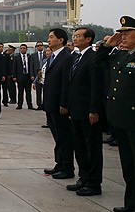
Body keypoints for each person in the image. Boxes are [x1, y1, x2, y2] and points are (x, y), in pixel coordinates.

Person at [94, 16, 135, 212]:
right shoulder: (122, 56)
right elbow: (97, 64)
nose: (122, 37)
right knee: (128, 164)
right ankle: (131, 203)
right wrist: (108, 46)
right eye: (121, 33)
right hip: (122, 120)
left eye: (127, 33)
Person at [61, 27, 104, 197]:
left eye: (78, 36)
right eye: (74, 35)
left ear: (89, 39)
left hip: (89, 112)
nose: (75, 38)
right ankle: (83, 178)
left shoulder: (93, 58)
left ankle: (94, 183)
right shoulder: (76, 57)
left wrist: (94, 110)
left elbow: (96, 87)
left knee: (91, 147)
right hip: (76, 111)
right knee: (79, 146)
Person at [43, 28, 74, 180]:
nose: (48, 40)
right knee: (57, 136)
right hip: (51, 103)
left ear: (60, 40)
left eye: (51, 37)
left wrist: (64, 103)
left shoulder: (66, 57)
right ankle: (59, 163)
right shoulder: (54, 57)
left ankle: (67, 167)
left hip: (59, 105)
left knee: (64, 137)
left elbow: (66, 83)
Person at [13, 44, 34, 109]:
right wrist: (14, 76)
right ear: (20, 49)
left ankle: (29, 105)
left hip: (27, 76)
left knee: (28, 92)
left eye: (24, 48)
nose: (23, 49)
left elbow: (31, 66)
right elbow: (14, 67)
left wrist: (32, 75)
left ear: (26, 49)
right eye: (21, 48)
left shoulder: (29, 57)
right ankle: (20, 104)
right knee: (20, 92)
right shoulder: (17, 57)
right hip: (20, 77)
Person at [30, 42, 46, 110]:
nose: (39, 47)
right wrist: (32, 75)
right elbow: (31, 66)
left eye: (40, 45)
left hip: (45, 75)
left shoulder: (46, 54)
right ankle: (39, 105)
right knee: (38, 91)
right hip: (37, 76)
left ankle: (45, 104)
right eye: (38, 46)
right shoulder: (33, 55)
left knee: (45, 91)